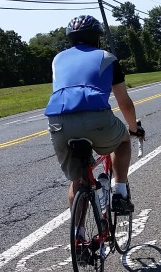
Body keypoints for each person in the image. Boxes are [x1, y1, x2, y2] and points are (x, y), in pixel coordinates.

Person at [45, 15, 145, 214]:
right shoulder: (107, 57)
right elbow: (124, 103)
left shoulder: (57, 59)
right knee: (123, 140)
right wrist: (134, 129)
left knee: (78, 181)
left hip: (58, 121)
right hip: (96, 118)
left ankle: (78, 230)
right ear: (97, 38)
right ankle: (120, 193)